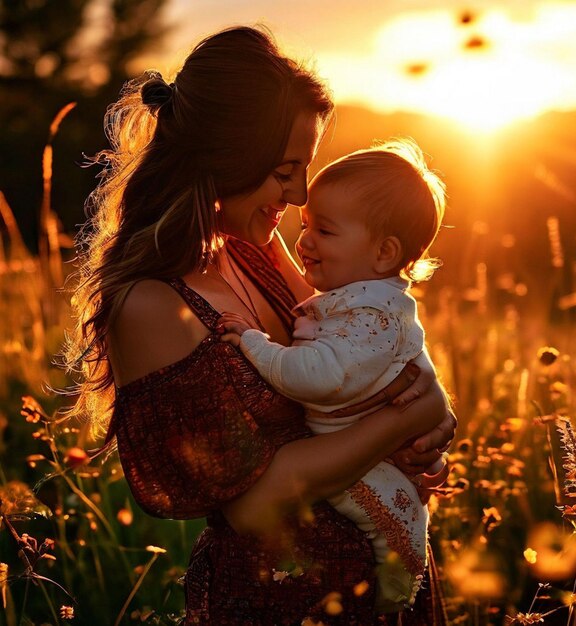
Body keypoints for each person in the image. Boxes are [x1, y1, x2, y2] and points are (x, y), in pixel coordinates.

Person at [64, 26, 456, 625]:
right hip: (279, 602)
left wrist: (425, 431)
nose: (300, 196)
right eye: (284, 171)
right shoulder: (149, 304)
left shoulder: (257, 254)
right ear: (227, 158)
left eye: (306, 169)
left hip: (379, 587)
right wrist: (406, 417)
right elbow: (258, 504)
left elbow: (368, 352)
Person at [218, 139, 450, 612]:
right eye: (304, 226)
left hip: (361, 463)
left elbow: (315, 375)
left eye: (323, 230)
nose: (304, 239)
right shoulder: (362, 294)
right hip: (352, 454)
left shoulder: (374, 314)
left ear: (384, 253)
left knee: (395, 530)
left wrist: (252, 342)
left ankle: (395, 604)